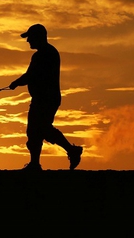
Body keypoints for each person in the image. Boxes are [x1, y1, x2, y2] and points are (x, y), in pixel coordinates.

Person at [9, 24, 83, 170]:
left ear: (38, 37)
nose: (28, 41)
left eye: (30, 37)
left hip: (45, 99)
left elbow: (31, 75)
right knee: (37, 131)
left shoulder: (43, 54)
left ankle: (69, 152)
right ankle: (37, 163)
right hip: (45, 98)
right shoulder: (49, 52)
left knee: (40, 130)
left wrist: (16, 83)